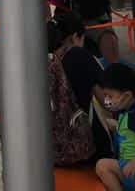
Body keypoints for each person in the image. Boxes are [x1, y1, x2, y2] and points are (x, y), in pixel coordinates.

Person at [53, 9, 114, 161]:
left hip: (52, 146)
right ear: (75, 37)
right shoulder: (80, 56)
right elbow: (106, 101)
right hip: (84, 146)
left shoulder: (49, 58)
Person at [95, 63, 135, 191]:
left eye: (110, 96)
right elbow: (129, 132)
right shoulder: (129, 112)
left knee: (102, 166)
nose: (107, 100)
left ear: (126, 96)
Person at [47, 18, 95, 165]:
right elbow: (102, 98)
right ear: (74, 37)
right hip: (70, 145)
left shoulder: (43, 63)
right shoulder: (75, 57)